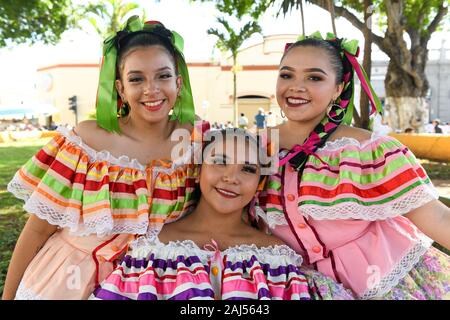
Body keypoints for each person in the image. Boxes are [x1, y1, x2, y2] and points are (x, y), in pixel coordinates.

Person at [3, 16, 205, 300]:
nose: (152, 89)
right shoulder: (87, 141)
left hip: (156, 284)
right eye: (136, 79)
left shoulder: (195, 139)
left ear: (179, 82)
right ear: (121, 88)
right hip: (68, 284)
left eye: (163, 76)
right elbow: (37, 230)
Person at [252, 33, 450, 300]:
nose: (296, 86)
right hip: (291, 288)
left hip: (385, 285)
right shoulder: (252, 149)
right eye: (287, 75)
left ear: (337, 88)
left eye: (314, 77)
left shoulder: (371, 150)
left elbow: (437, 218)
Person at [90, 128, 354, 300]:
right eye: (220, 162)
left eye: (248, 170)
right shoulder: (154, 248)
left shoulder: (276, 256)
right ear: (198, 170)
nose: (231, 178)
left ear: (259, 184)